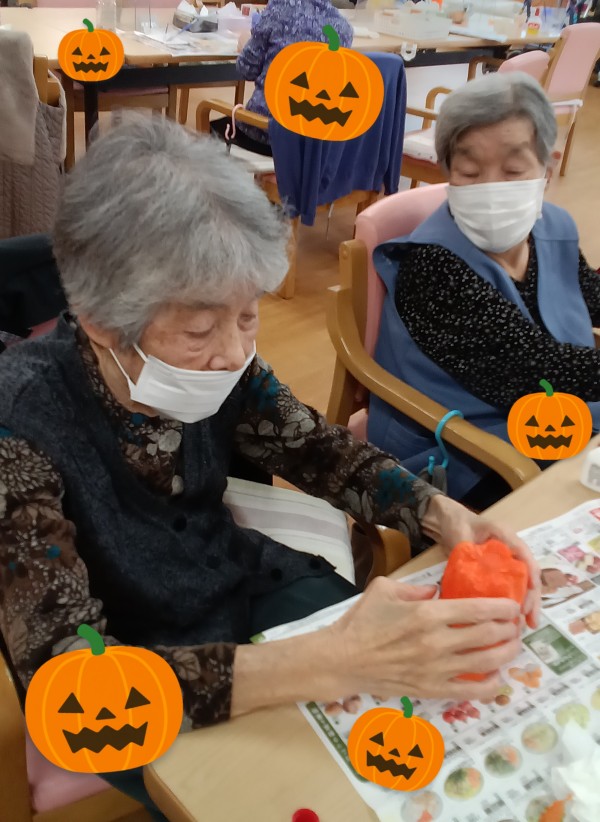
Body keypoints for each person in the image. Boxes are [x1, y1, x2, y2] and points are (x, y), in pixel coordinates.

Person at [0, 115, 540, 819]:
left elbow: (316, 448)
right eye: (200, 330)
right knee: (274, 793)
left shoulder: (223, 364)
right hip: (126, 665)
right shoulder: (19, 423)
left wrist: (441, 515)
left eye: (249, 317)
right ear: (101, 322)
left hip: (237, 580)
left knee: (412, 728)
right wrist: (332, 658)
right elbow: (67, 681)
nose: (234, 352)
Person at [369, 72, 600, 510]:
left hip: (544, 420)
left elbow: (587, 293)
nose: (491, 187)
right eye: (470, 171)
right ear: (447, 172)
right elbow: (536, 371)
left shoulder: (553, 227)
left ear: (548, 168)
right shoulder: (433, 267)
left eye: (513, 170)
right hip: (462, 453)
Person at [210, 0, 353, 155]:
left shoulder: (280, 8)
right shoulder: (344, 29)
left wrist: (246, 44)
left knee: (207, 120)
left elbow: (246, 70)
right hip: (307, 145)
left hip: (262, 132)